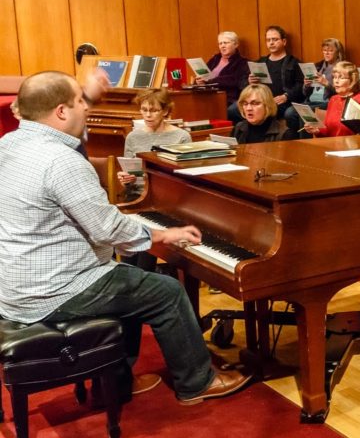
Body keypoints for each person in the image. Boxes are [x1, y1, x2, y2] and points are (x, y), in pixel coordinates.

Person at [0, 72, 250, 405]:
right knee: (166, 291)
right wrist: (164, 233)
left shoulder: (9, 144)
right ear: (60, 111)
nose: (86, 108)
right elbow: (108, 229)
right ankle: (197, 382)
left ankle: (117, 382)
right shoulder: (62, 161)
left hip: (16, 284)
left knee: (130, 279)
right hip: (56, 289)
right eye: (80, 101)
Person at [116, 89, 191, 201]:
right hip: (138, 195)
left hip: (171, 196)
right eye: (144, 110)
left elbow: (187, 177)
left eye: (154, 110)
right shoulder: (132, 137)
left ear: (165, 111)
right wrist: (126, 180)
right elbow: (129, 177)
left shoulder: (182, 136)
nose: (148, 115)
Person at [303, 62, 360, 138]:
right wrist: (317, 131)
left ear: (352, 81)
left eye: (341, 78)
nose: (336, 81)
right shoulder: (333, 99)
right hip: (331, 144)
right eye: (334, 77)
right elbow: (328, 131)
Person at [232, 84, 298, 143]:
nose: (248, 108)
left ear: (268, 105)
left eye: (255, 103)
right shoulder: (239, 128)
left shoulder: (284, 134)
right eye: (245, 104)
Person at [201, 31, 249, 108]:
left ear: (236, 44)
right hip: (208, 95)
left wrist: (212, 80)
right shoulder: (215, 59)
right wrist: (199, 80)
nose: (222, 46)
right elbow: (204, 75)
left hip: (228, 99)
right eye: (220, 43)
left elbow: (234, 80)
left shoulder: (242, 62)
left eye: (226, 43)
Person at [298, 38, 345, 114]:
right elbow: (305, 93)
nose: (326, 53)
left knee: (302, 112)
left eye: (330, 51)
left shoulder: (342, 68)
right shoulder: (317, 66)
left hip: (328, 102)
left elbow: (343, 92)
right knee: (290, 112)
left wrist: (327, 84)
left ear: (338, 53)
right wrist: (306, 85)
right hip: (311, 100)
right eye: (324, 50)